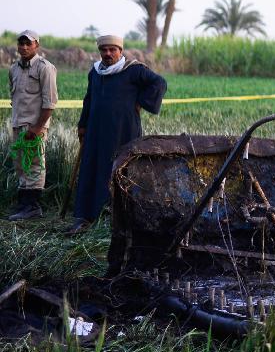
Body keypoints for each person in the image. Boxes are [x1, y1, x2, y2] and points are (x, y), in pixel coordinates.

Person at [66, 35, 167, 234]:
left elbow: (159, 83)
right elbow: (89, 100)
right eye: (104, 50)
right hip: (96, 131)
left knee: (119, 170)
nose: (108, 54)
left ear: (120, 51)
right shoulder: (95, 73)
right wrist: (82, 125)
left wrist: (141, 100)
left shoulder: (134, 70)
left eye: (112, 49)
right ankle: (85, 217)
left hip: (123, 131)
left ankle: (117, 219)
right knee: (92, 168)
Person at [6, 30, 58, 221]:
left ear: (37, 45)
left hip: (35, 127)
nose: (24, 47)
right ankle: (23, 205)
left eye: (29, 43)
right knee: (20, 165)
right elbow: (15, 98)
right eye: (21, 43)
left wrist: (37, 128)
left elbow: (50, 103)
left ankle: (33, 207)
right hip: (18, 124)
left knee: (35, 164)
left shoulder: (45, 68)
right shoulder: (14, 69)